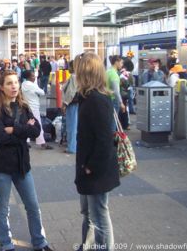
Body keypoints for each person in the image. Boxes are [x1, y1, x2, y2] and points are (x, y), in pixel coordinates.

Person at [0, 70, 53, 251]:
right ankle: (6, 244)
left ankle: (40, 242)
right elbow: (1, 137)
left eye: (16, 82)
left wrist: (14, 128)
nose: (14, 86)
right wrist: (24, 131)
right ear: (1, 87)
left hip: (22, 165)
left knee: (32, 205)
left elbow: (37, 131)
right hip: (1, 167)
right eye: (9, 83)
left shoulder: (23, 107)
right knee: (3, 208)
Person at [75, 52, 120, 251]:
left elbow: (104, 140)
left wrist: (90, 167)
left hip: (95, 170)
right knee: (89, 213)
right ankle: (87, 245)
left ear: (85, 72)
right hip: (89, 168)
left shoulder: (97, 100)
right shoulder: (89, 97)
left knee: (99, 214)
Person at [21, 70, 52, 150]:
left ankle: (26, 141)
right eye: (32, 76)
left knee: (27, 124)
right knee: (38, 124)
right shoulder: (32, 85)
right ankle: (42, 142)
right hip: (34, 107)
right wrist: (36, 85)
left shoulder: (23, 84)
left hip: (26, 106)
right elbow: (42, 92)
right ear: (28, 77)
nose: (34, 77)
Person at [62, 60, 79, 154]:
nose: (68, 68)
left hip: (72, 104)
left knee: (72, 126)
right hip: (80, 103)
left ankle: (71, 147)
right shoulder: (83, 75)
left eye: (69, 66)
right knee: (77, 125)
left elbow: (70, 92)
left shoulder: (73, 77)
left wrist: (65, 104)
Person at [106, 55, 125, 131]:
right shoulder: (114, 74)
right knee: (113, 122)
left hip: (107, 99)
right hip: (113, 100)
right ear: (116, 62)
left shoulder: (107, 72)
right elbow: (116, 91)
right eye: (121, 62)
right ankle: (112, 140)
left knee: (109, 121)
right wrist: (121, 103)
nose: (122, 64)